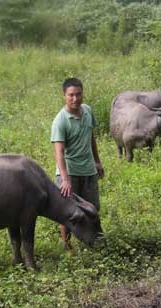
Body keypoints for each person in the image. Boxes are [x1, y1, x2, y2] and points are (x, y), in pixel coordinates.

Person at [51, 77, 104, 249]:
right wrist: (65, 180)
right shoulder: (60, 121)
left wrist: (97, 161)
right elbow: (59, 152)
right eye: (71, 95)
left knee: (92, 209)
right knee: (68, 213)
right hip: (69, 173)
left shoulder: (88, 111)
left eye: (78, 94)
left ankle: (94, 241)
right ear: (64, 96)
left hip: (88, 170)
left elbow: (91, 137)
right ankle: (67, 245)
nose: (75, 99)